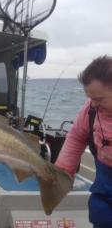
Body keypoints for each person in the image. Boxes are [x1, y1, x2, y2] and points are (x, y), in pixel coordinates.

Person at [55, 55, 112, 228]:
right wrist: (62, 176)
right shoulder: (90, 111)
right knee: (100, 214)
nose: (93, 104)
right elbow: (75, 138)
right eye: (90, 98)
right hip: (104, 185)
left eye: (99, 99)